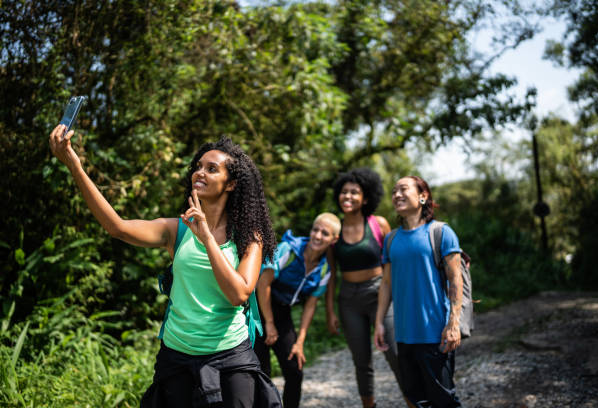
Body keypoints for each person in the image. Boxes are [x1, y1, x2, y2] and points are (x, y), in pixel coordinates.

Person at [48, 125, 282, 407]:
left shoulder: (248, 237)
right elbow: (117, 227)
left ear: (231, 184)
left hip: (229, 357)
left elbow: (239, 294)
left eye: (212, 169)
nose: (200, 173)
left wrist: (207, 237)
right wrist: (74, 165)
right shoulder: (176, 230)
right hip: (176, 355)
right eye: (198, 167)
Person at [374, 175, 463, 408]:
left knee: (443, 400)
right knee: (417, 400)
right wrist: (379, 322)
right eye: (394, 191)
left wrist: (454, 323)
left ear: (423, 197)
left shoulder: (441, 233)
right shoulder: (391, 239)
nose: (397, 195)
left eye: (403, 189)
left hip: (435, 333)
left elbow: (456, 279)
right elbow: (386, 284)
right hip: (404, 335)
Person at [325, 168, 407, 408]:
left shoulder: (378, 224)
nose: (347, 197)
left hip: (380, 293)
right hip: (349, 299)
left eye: (354, 192)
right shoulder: (335, 231)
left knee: (395, 354)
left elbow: (395, 261)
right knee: (362, 361)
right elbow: (331, 275)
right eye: (344, 192)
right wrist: (329, 312)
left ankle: (414, 401)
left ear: (366, 198)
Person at [254, 212, 341, 408]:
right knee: (262, 371)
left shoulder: (324, 269)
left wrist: (299, 342)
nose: (317, 236)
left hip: (283, 314)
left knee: (295, 369)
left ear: (334, 240)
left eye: (325, 233)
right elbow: (263, 284)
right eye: (315, 230)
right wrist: (268, 323)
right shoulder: (290, 249)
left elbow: (311, 304)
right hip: (259, 309)